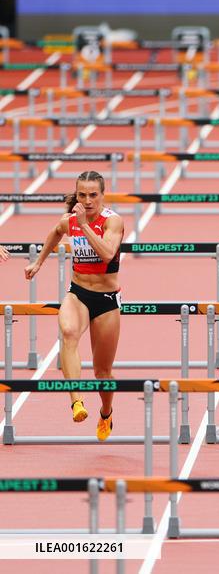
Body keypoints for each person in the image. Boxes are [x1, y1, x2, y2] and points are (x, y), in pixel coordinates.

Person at [24, 171, 124, 441]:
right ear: (76, 195)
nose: (88, 200)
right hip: (78, 293)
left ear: (103, 195)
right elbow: (55, 233)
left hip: (106, 300)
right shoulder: (70, 221)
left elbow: (107, 254)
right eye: (82, 195)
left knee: (103, 372)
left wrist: (85, 225)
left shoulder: (113, 221)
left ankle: (106, 412)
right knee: (68, 333)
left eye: (93, 195)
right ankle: (77, 401)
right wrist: (38, 262)